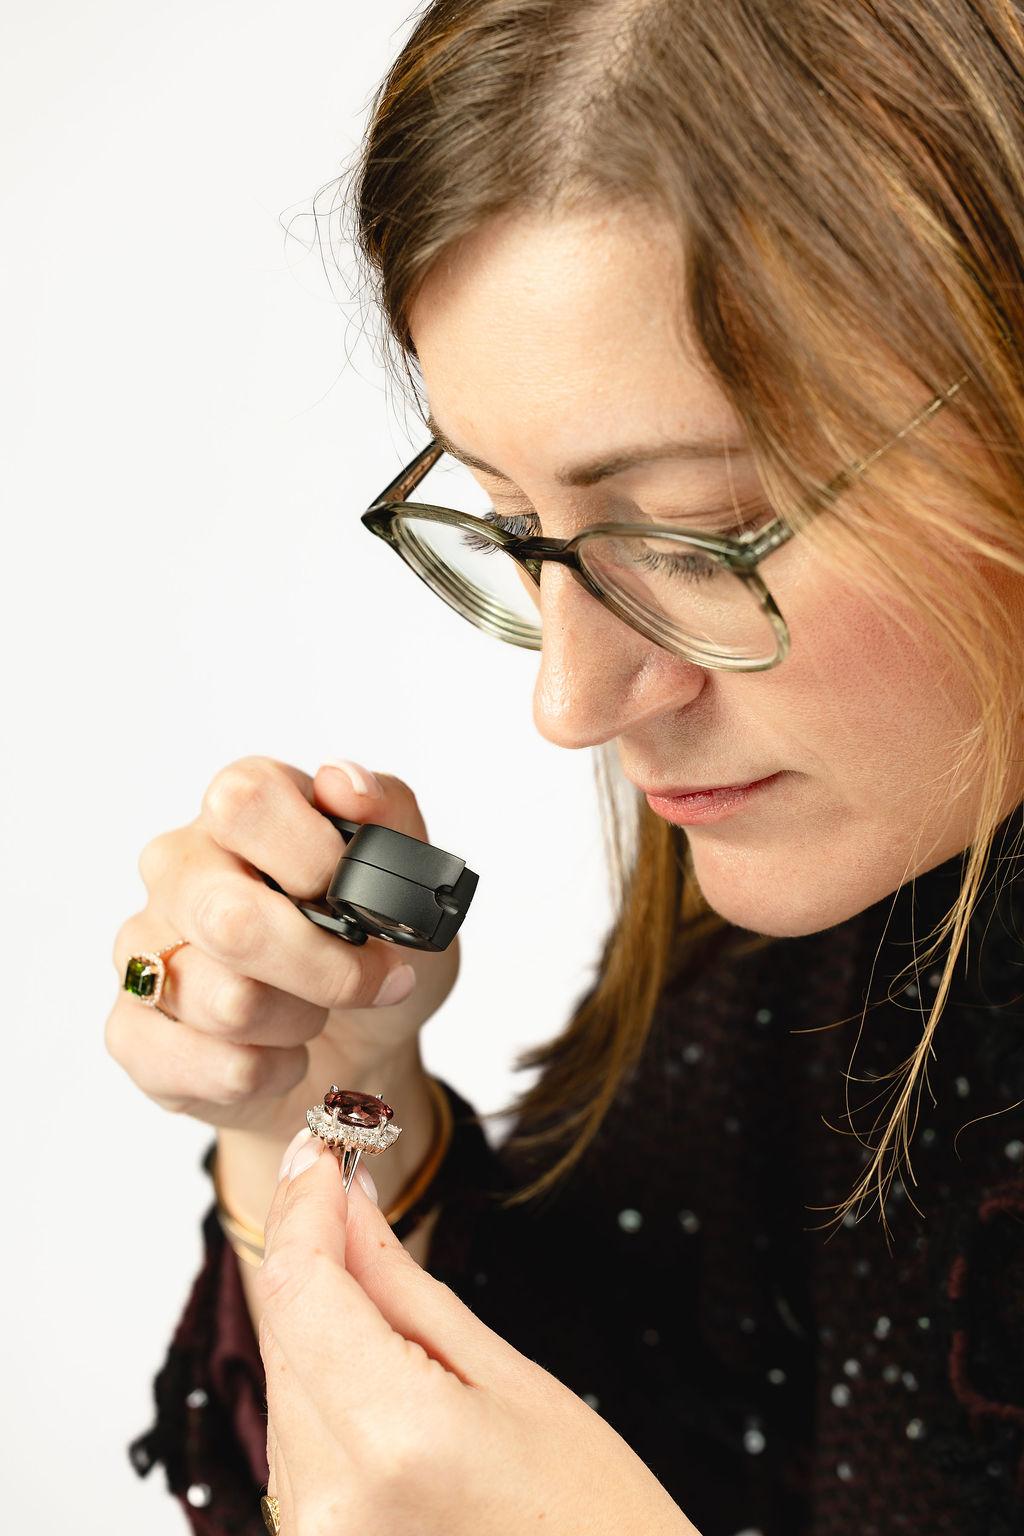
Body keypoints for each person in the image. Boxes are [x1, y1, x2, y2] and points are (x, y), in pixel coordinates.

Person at [108, 1, 1024, 1533]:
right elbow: (641, 1428)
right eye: (521, 530)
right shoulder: (838, 932)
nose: (572, 700)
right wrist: (332, 1125)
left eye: (697, 533)